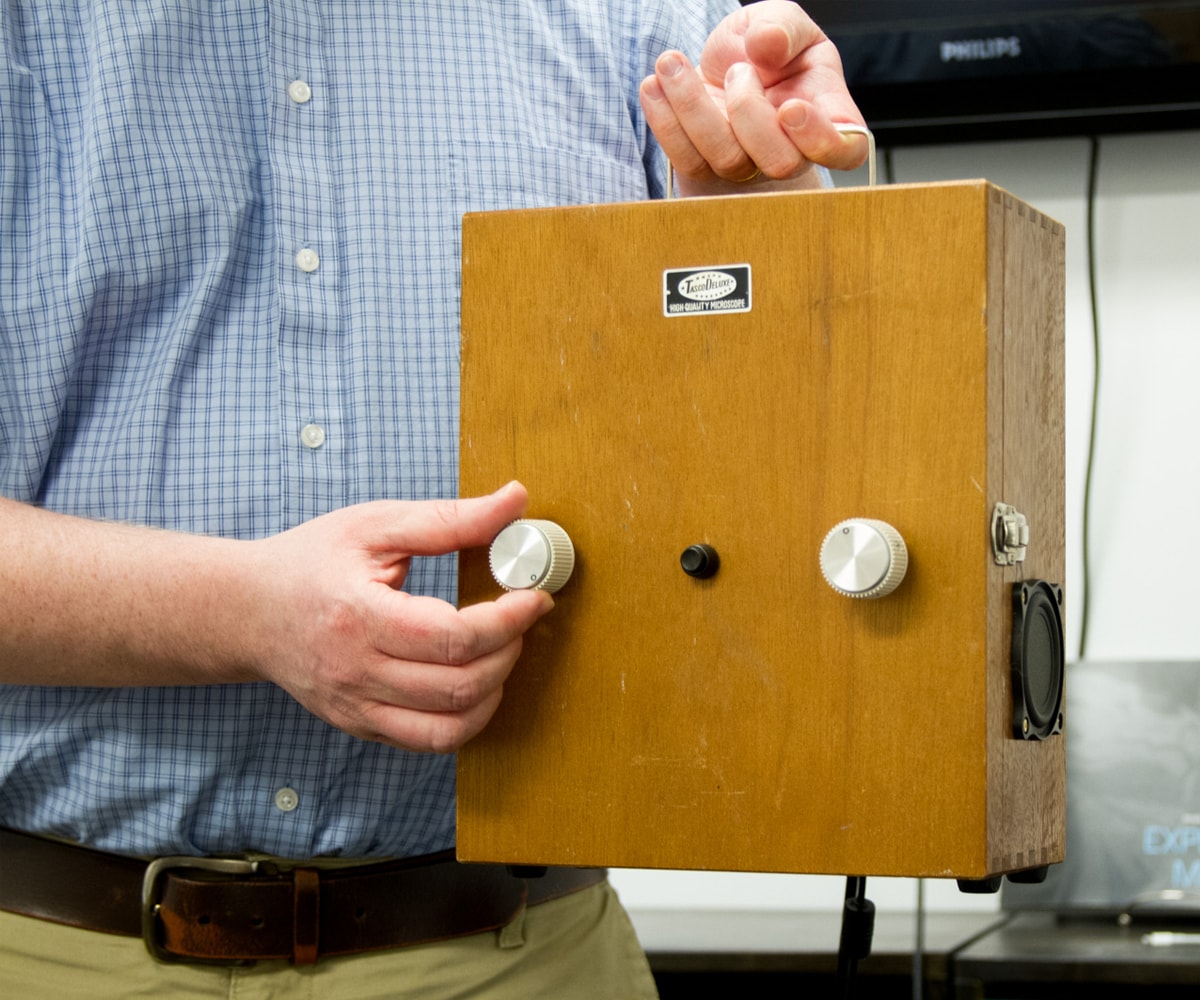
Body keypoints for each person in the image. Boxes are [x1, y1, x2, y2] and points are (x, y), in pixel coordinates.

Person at [0, 1, 864, 996]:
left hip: (519, 953)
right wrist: (244, 611)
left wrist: (770, 229)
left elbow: (802, 483)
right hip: (52, 951)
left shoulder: (643, 21)